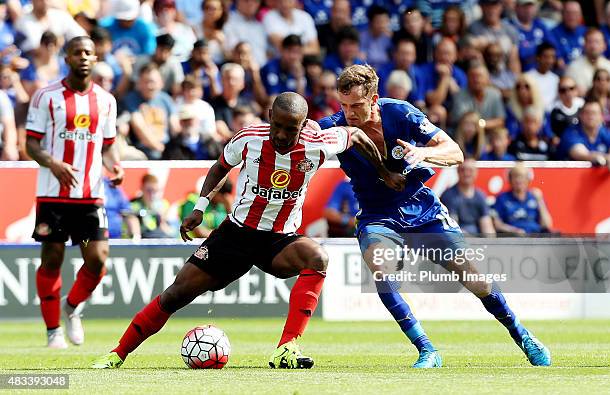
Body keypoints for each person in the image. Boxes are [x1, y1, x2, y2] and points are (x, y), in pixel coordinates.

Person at [91, 92, 405, 369]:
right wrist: (200, 207)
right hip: (237, 233)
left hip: (279, 240)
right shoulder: (249, 138)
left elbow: (358, 137)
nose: (282, 134)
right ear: (269, 117)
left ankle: (287, 349)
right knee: (176, 294)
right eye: (277, 125)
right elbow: (219, 167)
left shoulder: (319, 143)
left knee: (317, 258)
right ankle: (117, 354)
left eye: (291, 129)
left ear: (304, 125)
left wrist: (384, 172)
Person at [319, 64, 550, 368]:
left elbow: (455, 152)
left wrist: (423, 154)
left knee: (475, 279)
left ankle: (522, 335)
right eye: (344, 105)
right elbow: (300, 142)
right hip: (377, 214)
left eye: (357, 105)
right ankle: (427, 350)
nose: (348, 113)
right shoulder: (334, 128)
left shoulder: (400, 113)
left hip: (421, 208)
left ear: (374, 99)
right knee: (380, 266)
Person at [25, 36, 123, 349]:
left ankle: (71, 306)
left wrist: (114, 167)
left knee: (97, 259)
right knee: (52, 258)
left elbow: (107, 147)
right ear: (67, 58)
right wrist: (53, 164)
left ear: (95, 59)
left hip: (90, 195)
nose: (83, 57)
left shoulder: (106, 100)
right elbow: (31, 143)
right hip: (53, 194)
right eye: (77, 52)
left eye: (88, 53)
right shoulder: (46, 96)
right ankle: (53, 330)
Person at [492, 163, 553, 234]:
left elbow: (547, 225)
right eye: (515, 176)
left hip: (535, 237)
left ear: (528, 179)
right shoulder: (502, 198)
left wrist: (540, 200)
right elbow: (497, 225)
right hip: (513, 238)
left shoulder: (535, 197)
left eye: (522, 177)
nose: (519, 180)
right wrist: (514, 231)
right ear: (510, 179)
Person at [440, 159, 495, 235]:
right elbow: (452, 227)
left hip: (478, 241)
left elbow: (486, 224)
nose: (466, 173)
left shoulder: (480, 195)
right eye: (463, 170)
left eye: (470, 170)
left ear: (476, 173)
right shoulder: (449, 196)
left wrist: (491, 243)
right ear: (457, 172)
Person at [558, 99, 610, 168]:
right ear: (580, 115)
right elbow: (582, 154)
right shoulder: (571, 133)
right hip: (568, 176)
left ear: (601, 116)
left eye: (594, 113)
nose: (590, 116)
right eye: (587, 113)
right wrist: (607, 158)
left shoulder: (606, 133)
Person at [565, 28, 610, 97]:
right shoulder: (573, 67)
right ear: (584, 45)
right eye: (590, 42)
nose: (593, 46)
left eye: (597, 42)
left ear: (604, 46)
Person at [130, 173, 176, 238]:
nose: (152, 194)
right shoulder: (133, 205)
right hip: (143, 239)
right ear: (142, 188)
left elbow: (170, 231)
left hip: (160, 238)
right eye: (149, 190)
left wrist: (161, 219)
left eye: (155, 191)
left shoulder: (163, 204)